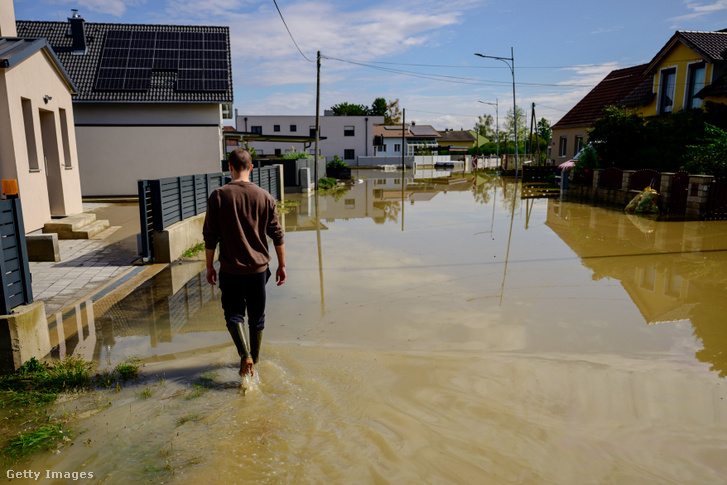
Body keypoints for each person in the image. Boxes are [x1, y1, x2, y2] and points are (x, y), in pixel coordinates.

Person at [203, 148, 286, 377]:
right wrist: (282, 265)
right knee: (257, 317)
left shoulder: (218, 196)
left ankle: (245, 356)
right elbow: (277, 234)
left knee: (234, 314)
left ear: (229, 167)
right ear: (251, 168)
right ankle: (254, 365)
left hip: (230, 269)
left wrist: (210, 266)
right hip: (259, 270)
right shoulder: (265, 197)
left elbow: (210, 236)